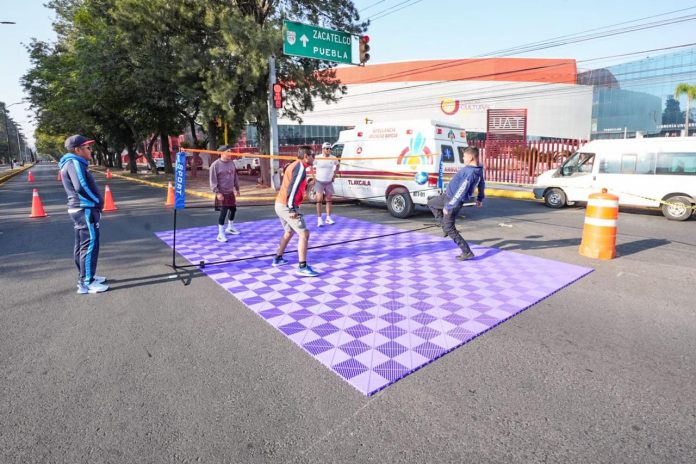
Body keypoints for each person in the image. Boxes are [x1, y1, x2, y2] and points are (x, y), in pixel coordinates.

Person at [58, 135, 108, 294]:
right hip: (85, 209)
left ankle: (86, 276)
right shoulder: (74, 162)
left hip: (80, 209)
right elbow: (81, 186)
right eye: (87, 147)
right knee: (90, 244)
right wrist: (97, 201)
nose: (91, 150)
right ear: (77, 150)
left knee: (82, 244)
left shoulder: (72, 162)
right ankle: (87, 282)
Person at [427, 146, 485, 261]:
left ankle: (467, 252)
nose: (463, 158)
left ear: (470, 157)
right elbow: (481, 184)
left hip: (453, 201)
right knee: (431, 203)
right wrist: (480, 198)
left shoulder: (471, 172)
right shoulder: (477, 168)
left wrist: (449, 206)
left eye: (464, 156)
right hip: (447, 196)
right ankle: (444, 226)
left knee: (450, 228)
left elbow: (461, 191)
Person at [272, 146, 319, 277]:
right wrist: (292, 209)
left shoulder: (295, 165)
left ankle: (278, 258)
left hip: (280, 204)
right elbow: (291, 189)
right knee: (304, 233)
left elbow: (292, 185)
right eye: (313, 155)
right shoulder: (300, 168)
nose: (314, 158)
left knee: (289, 232)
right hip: (286, 206)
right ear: (306, 156)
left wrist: (306, 184)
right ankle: (302, 266)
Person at [210, 145, 241, 242]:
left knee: (233, 210)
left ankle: (230, 227)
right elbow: (213, 181)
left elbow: (235, 177)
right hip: (222, 193)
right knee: (223, 212)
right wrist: (217, 193)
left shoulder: (232, 163)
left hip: (230, 192)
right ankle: (220, 234)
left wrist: (237, 188)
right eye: (228, 151)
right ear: (221, 153)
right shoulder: (215, 165)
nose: (230, 153)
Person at [313, 142, 340, 226]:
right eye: (327, 148)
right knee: (319, 199)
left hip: (329, 181)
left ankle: (328, 218)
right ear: (323, 149)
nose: (329, 150)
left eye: (330, 148)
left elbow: (338, 165)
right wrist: (313, 176)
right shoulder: (317, 157)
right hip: (319, 181)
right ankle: (319, 219)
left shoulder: (333, 158)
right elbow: (310, 165)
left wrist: (334, 175)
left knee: (329, 199)